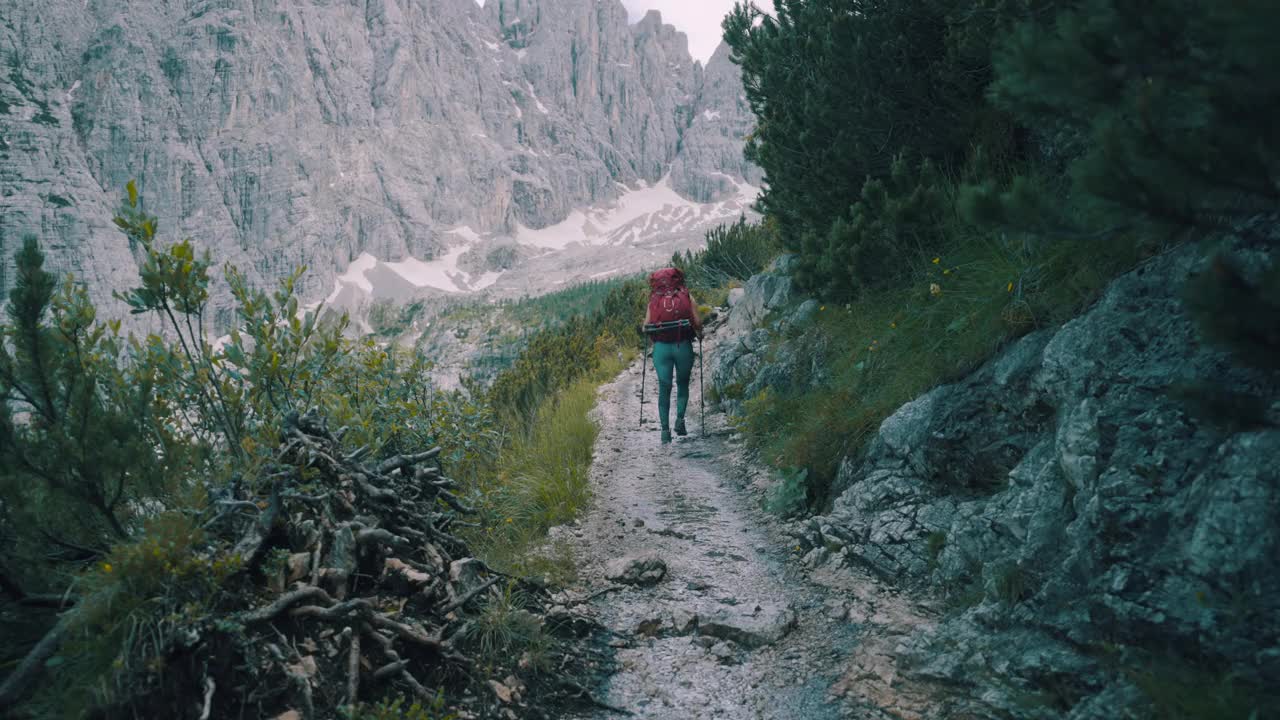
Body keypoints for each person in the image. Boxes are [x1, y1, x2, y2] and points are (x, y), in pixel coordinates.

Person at [645, 268, 703, 444]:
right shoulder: (686, 297)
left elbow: (645, 326)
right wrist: (699, 333)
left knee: (664, 388)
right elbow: (698, 322)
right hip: (682, 346)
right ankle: (680, 420)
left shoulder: (654, 300)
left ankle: (664, 431)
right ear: (679, 280)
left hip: (661, 349)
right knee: (683, 383)